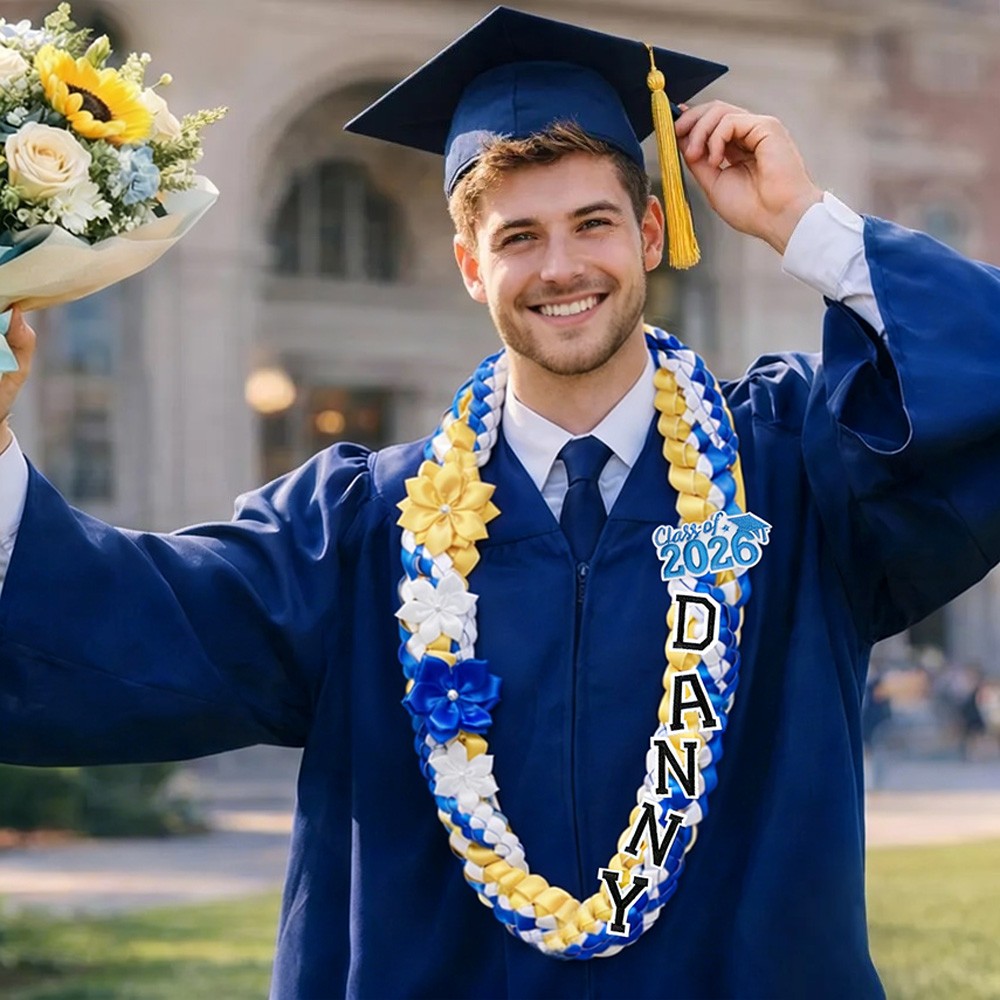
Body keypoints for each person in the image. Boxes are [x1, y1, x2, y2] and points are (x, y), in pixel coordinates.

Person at [2, 7, 1000, 998]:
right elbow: (134, 617)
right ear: (471, 264)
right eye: (519, 235)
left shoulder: (793, 471)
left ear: (651, 231)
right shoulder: (364, 527)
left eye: (593, 222)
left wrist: (802, 221)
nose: (561, 267)